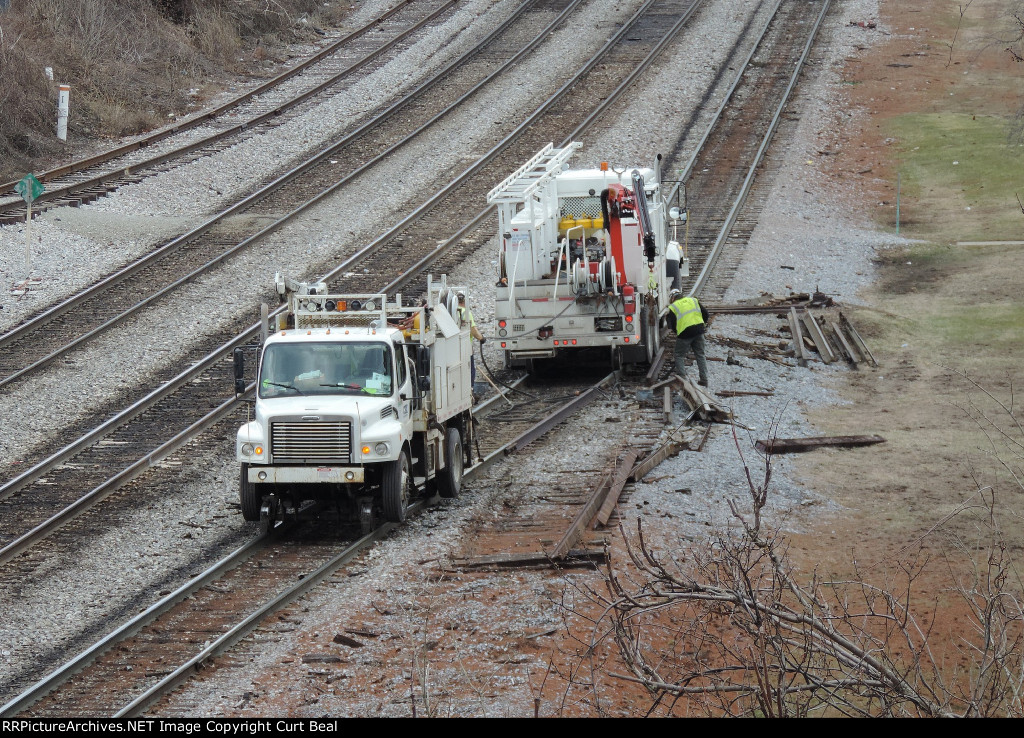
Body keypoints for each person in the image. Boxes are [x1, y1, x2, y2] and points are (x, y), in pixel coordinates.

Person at [667, 289, 709, 387]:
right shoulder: (693, 300)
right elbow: (706, 314)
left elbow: (672, 325)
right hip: (699, 331)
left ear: (673, 298)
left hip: (685, 333)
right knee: (700, 355)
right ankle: (704, 379)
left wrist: (678, 333)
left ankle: (683, 379)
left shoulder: (673, 307)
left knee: (678, 355)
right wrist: (702, 325)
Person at [456, 291, 485, 389]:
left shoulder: (450, 311)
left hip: (453, 347)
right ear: (465, 301)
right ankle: (470, 389)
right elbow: (473, 330)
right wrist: (481, 338)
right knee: (469, 369)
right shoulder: (466, 312)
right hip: (466, 347)